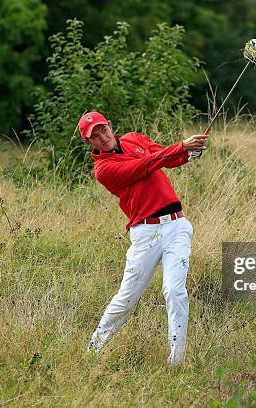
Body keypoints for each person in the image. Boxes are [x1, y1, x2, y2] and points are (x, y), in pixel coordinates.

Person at [80, 111, 208, 365]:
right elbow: (145, 166)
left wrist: (190, 152)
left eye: (103, 129)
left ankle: (176, 361)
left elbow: (168, 159)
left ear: (110, 125)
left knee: (174, 291)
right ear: (89, 143)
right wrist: (180, 146)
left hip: (176, 225)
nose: (102, 137)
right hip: (145, 233)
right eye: (94, 136)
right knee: (127, 298)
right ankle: (93, 350)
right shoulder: (103, 169)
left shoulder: (134, 138)